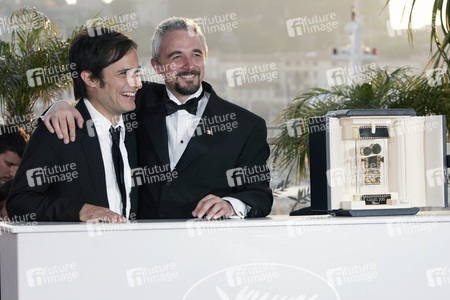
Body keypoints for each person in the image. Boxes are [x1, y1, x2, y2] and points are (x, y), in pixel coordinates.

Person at [44, 17, 273, 220]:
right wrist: (60, 105)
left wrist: (231, 205)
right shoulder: (134, 100)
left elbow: (260, 195)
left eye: (196, 55)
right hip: (140, 246)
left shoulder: (246, 126)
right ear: (157, 66)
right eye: (177, 57)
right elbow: (98, 99)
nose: (189, 65)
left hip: (206, 251)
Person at [7, 28, 142, 222]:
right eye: (124, 74)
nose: (137, 83)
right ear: (90, 78)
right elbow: (19, 203)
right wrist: (78, 211)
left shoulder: (141, 120)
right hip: (77, 250)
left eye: (137, 72)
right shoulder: (59, 130)